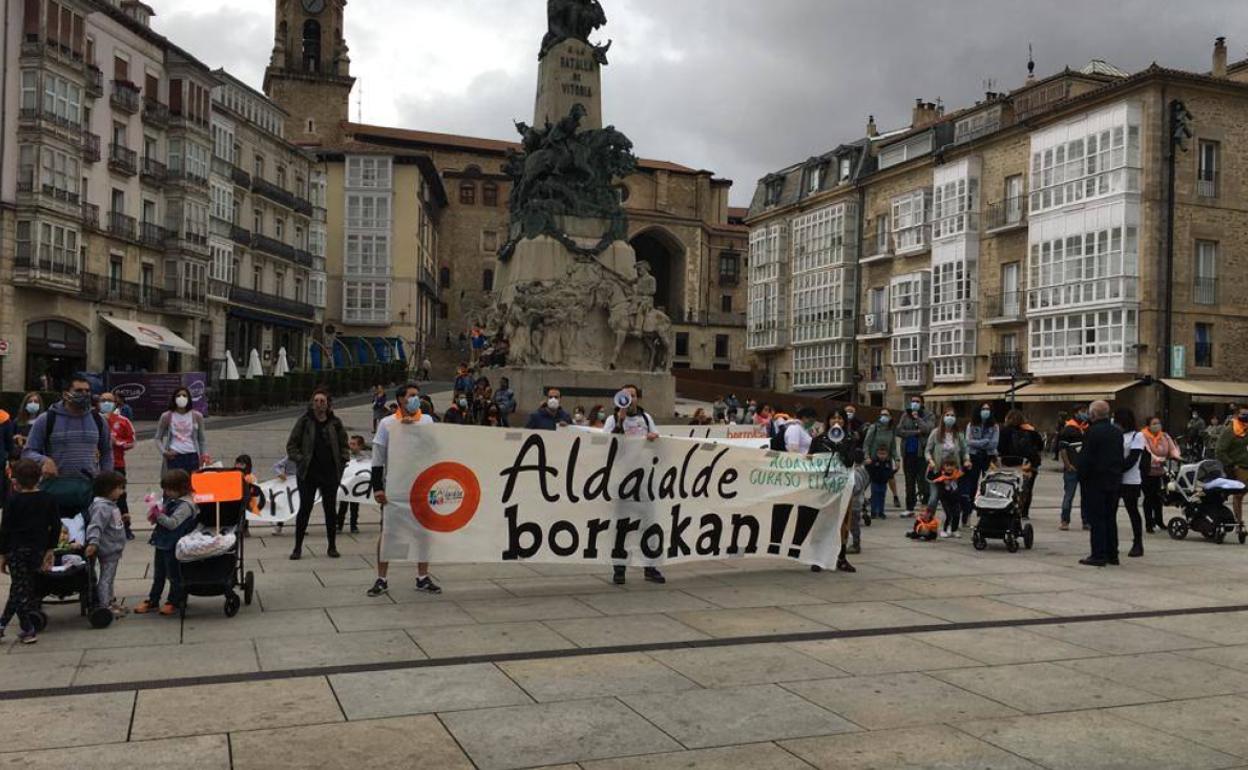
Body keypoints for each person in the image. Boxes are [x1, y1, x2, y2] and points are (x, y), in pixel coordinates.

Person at [368, 383, 440, 597]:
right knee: (388, 533)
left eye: (417, 395)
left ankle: (423, 576)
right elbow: (378, 458)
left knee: (423, 533)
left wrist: (414, 430)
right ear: (401, 399)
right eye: (412, 395)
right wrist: (377, 488)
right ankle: (381, 578)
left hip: (421, 486)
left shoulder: (427, 421)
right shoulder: (387, 423)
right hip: (395, 488)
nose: (416, 399)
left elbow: (435, 448)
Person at [603, 385, 665, 585]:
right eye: (626, 395)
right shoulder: (612, 420)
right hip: (622, 481)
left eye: (633, 395)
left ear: (638, 398)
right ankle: (619, 569)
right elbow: (608, 444)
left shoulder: (646, 418)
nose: (630, 398)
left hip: (644, 482)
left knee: (649, 525)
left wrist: (653, 439)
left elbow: (658, 443)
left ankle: (650, 567)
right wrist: (620, 422)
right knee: (622, 527)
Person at [0, 460, 60, 643]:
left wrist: (2, 554)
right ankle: (19, 627)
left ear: (15, 481)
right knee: (21, 588)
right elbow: (56, 526)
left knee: (20, 589)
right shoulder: (48, 499)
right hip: (37, 549)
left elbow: (5, 529)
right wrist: (50, 548)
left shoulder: (12, 501)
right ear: (39, 478)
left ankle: (24, 628)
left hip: (16, 550)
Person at [285, 388, 349, 560]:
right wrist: (300, 459)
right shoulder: (305, 421)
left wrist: (342, 461)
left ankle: (332, 546)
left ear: (328, 404)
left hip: (329, 473)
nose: (319, 404)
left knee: (330, 510)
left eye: (322, 401)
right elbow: (291, 445)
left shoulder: (335, 423)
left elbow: (344, 444)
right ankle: (297, 547)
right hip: (308, 473)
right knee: (305, 509)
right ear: (312, 403)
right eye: (316, 401)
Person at [22, 376, 113, 490]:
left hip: (88, 488)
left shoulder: (98, 420)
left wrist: (106, 479)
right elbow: (28, 452)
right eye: (79, 391)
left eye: (87, 391)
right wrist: (44, 461)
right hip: (55, 487)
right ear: (66, 394)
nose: (84, 394)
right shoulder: (47, 419)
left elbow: (106, 451)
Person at [134, 470, 199, 615]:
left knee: (173, 575)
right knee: (159, 574)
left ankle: (173, 601)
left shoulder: (186, 505)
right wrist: (154, 513)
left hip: (174, 544)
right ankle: (153, 600)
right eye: (165, 490)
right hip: (162, 541)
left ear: (181, 488)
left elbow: (172, 523)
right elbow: (164, 515)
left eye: (169, 490)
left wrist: (158, 515)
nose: (167, 493)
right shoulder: (172, 500)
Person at [1075, 401, 1123, 567]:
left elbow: (1086, 458)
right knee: (1110, 518)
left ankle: (1098, 554)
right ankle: (1112, 554)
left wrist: (1081, 475)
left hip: (1095, 481)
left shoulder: (1092, 432)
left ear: (1093, 414)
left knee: (1097, 519)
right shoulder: (1117, 431)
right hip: (1113, 480)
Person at [812, 413, 861, 554]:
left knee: (843, 520)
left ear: (844, 421)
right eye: (833, 418)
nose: (836, 421)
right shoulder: (819, 440)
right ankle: (819, 555)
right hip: (823, 486)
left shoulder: (850, 440)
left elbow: (849, 462)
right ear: (828, 421)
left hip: (842, 486)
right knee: (822, 520)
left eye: (840, 418)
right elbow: (810, 459)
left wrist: (840, 445)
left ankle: (841, 555)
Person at [85, 472, 128, 618]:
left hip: (113, 547)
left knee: (109, 577)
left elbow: (110, 523)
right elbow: (96, 525)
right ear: (108, 489)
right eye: (119, 488)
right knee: (106, 578)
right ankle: (105, 605)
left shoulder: (110, 505)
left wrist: (122, 519)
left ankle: (109, 601)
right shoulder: (102, 507)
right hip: (108, 548)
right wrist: (93, 542)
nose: (122, 492)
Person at [925, 410, 970, 534]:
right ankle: (928, 523)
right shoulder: (935, 433)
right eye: (947, 415)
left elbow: (965, 450)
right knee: (933, 498)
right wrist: (930, 461)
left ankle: (952, 525)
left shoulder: (958, 434)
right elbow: (927, 450)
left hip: (953, 473)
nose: (950, 417)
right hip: (937, 471)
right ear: (943, 417)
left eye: (952, 415)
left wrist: (967, 460)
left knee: (953, 500)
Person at [98, 392, 135, 540]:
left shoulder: (123, 421)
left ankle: (125, 528)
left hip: (117, 464)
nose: (106, 403)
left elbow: (132, 441)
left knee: (120, 496)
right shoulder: (93, 420)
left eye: (109, 400)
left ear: (115, 403)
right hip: (97, 465)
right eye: (103, 400)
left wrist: (117, 442)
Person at [1114, 408, 1147, 558]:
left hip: (1130, 479)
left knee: (1132, 510)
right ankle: (1112, 543)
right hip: (1115, 479)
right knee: (1111, 511)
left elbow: (1133, 458)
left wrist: (1117, 469)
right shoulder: (1116, 435)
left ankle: (1138, 542)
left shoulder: (1137, 436)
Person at [1141, 415, 1180, 533]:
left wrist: (1177, 456)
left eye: (1158, 423)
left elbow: (1173, 449)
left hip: (1160, 472)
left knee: (1158, 498)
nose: (1157, 426)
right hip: (1147, 471)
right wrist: (1158, 459)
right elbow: (1148, 451)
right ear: (1148, 426)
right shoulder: (1143, 436)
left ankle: (1159, 521)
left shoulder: (1165, 436)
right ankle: (1149, 523)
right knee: (1149, 497)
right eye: (1154, 423)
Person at [154, 387, 208, 474]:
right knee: (176, 481)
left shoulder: (197, 416)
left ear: (189, 398)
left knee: (192, 481)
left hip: (193, 456)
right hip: (174, 456)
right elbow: (157, 438)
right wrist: (164, 452)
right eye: (178, 395)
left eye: (184, 395)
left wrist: (203, 455)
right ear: (174, 398)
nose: (181, 398)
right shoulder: (167, 416)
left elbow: (202, 439)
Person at [897, 396, 934, 517]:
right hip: (908, 453)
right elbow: (899, 431)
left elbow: (927, 429)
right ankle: (909, 507)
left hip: (921, 454)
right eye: (913, 401)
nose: (914, 403)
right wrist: (916, 433)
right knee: (909, 482)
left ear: (922, 403)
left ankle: (925, 506)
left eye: (917, 401)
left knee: (924, 482)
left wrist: (917, 418)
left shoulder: (928, 415)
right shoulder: (905, 415)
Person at [965, 404, 999, 523]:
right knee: (972, 485)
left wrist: (978, 443)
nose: (986, 411)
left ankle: (986, 514)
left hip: (989, 457)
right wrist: (984, 441)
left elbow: (994, 443)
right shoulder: (971, 425)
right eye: (983, 409)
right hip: (974, 456)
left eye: (988, 409)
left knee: (989, 485)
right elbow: (968, 441)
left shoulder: (994, 426)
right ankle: (967, 513)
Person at [1057, 410, 1090, 531]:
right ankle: (1065, 520)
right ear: (1076, 413)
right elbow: (1063, 449)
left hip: (1085, 468)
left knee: (1086, 497)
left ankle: (1086, 521)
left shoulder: (1087, 428)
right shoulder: (1068, 429)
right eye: (1083, 411)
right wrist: (1068, 465)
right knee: (1069, 495)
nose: (1086, 414)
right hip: (1072, 468)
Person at [1216, 406, 1248, 526]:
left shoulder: (1246, 429)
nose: (1245, 417)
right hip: (1239, 467)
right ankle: (1239, 523)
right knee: (1238, 495)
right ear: (1236, 415)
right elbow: (1220, 451)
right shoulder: (1230, 430)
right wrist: (1231, 464)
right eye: (1243, 414)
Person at [336, 435, 369, 534]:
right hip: (346, 485)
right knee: (343, 506)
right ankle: (339, 525)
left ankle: (353, 525)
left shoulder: (365, 458)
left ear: (360, 446)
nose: (351, 446)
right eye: (350, 443)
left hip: (356, 486)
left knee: (355, 507)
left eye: (354, 444)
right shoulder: (345, 456)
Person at [929, 458, 965, 539]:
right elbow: (931, 478)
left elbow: (965, 475)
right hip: (945, 499)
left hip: (955, 498)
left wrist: (967, 466)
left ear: (955, 466)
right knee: (948, 515)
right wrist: (930, 470)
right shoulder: (940, 474)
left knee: (957, 514)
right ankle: (944, 530)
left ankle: (954, 530)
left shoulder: (957, 474)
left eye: (951, 466)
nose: (949, 468)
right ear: (943, 467)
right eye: (947, 466)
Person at [865, 446, 896, 530]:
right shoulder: (874, 462)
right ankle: (873, 512)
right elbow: (869, 470)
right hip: (875, 482)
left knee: (882, 497)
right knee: (874, 497)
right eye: (880, 454)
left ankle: (881, 512)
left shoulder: (887, 463)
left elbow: (890, 472)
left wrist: (892, 473)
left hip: (883, 483)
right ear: (877, 454)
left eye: (884, 454)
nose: (882, 456)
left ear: (887, 454)